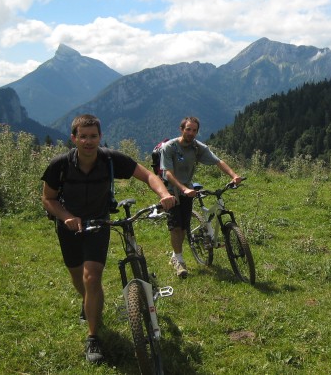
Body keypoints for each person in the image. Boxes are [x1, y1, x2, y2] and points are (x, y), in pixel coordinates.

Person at [41, 114, 176, 364]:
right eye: (83, 136)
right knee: (76, 275)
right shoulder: (60, 164)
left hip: (100, 223)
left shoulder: (111, 159)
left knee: (91, 276)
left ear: (100, 137)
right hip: (69, 227)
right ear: (74, 138)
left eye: (93, 136)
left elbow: (148, 175)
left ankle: (93, 337)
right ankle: (89, 303)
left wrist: (164, 193)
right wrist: (67, 216)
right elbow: (47, 199)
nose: (88, 141)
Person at [160, 116, 242, 278]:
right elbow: (167, 173)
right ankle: (179, 261)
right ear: (181, 129)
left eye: (194, 130)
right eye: (188, 129)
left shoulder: (197, 148)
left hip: (188, 190)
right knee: (176, 227)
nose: (191, 133)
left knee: (184, 227)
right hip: (170, 191)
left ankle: (176, 254)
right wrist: (183, 189)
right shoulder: (169, 147)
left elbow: (218, 161)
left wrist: (234, 175)